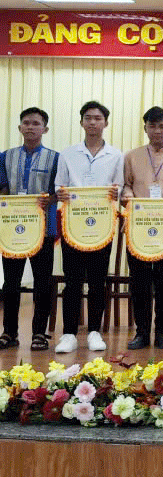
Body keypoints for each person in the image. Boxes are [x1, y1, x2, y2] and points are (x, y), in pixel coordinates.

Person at [53, 101, 123, 354]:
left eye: (98, 118)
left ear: (106, 123)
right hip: (73, 225)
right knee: (72, 281)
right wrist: (61, 193)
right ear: (81, 122)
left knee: (97, 280)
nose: (93, 122)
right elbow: (59, 185)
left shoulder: (116, 155)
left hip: (102, 226)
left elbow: (119, 187)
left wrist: (116, 192)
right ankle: (69, 333)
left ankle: (95, 331)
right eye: (88, 118)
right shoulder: (67, 154)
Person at [121, 106, 163, 350]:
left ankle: (162, 332)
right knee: (138, 281)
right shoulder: (131, 156)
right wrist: (128, 197)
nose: (158, 131)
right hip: (138, 227)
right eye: (153, 126)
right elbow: (126, 186)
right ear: (145, 128)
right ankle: (141, 332)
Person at [0, 108, 59, 352]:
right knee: (11, 283)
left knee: (42, 283)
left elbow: (59, 192)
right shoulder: (5, 157)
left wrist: (49, 199)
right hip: (13, 230)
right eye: (26, 123)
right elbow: (3, 190)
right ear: (19, 128)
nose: (30, 127)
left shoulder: (55, 159)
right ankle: (9, 332)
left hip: (43, 229)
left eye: (36, 123)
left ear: (45, 129)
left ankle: (39, 333)